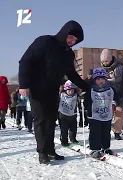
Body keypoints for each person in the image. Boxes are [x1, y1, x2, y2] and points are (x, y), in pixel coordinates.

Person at [18, 20, 88, 164]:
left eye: (75, 40)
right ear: (64, 33)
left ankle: (50, 150)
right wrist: (23, 85)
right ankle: (42, 152)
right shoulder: (44, 42)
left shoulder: (68, 55)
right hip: (36, 88)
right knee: (41, 119)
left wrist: (86, 86)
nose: (72, 41)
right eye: (71, 37)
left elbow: (72, 74)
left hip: (52, 90)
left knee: (51, 120)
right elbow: (25, 61)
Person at [84, 67, 118, 158]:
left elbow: (115, 97)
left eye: (102, 78)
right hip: (94, 114)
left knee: (106, 132)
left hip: (107, 114)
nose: (100, 81)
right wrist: (86, 107)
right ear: (94, 80)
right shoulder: (91, 89)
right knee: (95, 132)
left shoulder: (110, 89)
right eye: (98, 79)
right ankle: (94, 148)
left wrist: (116, 103)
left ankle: (105, 147)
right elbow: (87, 99)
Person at [100, 49, 123, 140]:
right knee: (108, 112)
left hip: (121, 92)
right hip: (108, 93)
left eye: (106, 61)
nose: (105, 63)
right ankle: (105, 131)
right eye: (103, 61)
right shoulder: (102, 69)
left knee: (119, 113)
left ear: (110, 59)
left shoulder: (120, 67)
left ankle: (117, 132)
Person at [58, 80, 79, 146]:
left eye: (72, 90)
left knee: (73, 129)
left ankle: (73, 138)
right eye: (69, 90)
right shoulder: (61, 95)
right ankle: (64, 141)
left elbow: (81, 95)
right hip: (63, 115)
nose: (71, 92)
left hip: (72, 115)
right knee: (64, 129)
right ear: (65, 90)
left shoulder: (76, 95)